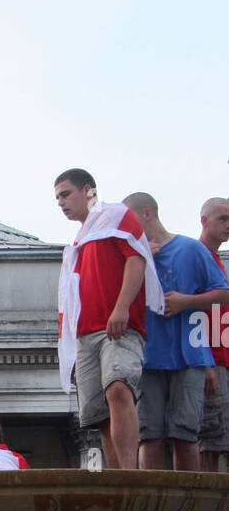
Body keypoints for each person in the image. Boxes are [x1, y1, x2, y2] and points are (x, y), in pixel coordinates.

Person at [55, 169, 163, 469]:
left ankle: (129, 473)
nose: (61, 203)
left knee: (118, 388)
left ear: (87, 190)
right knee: (100, 414)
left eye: (66, 194)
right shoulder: (79, 240)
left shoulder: (116, 215)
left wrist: (122, 307)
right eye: (57, 198)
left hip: (117, 326)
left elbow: (136, 258)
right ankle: (116, 478)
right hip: (84, 334)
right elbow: (70, 298)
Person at [123, 192, 228, 470]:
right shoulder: (133, 255)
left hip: (190, 355)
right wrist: (141, 260)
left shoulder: (191, 249)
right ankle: (152, 505)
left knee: (186, 434)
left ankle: (188, 507)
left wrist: (187, 301)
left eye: (129, 219)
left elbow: (223, 293)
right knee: (150, 434)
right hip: (147, 356)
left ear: (147, 213)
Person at [197, 198, 229, 470]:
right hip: (212, 359)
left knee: (218, 437)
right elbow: (192, 315)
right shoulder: (197, 256)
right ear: (204, 220)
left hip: (221, 359)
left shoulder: (215, 259)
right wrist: (205, 360)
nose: (228, 225)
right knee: (210, 439)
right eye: (223, 218)